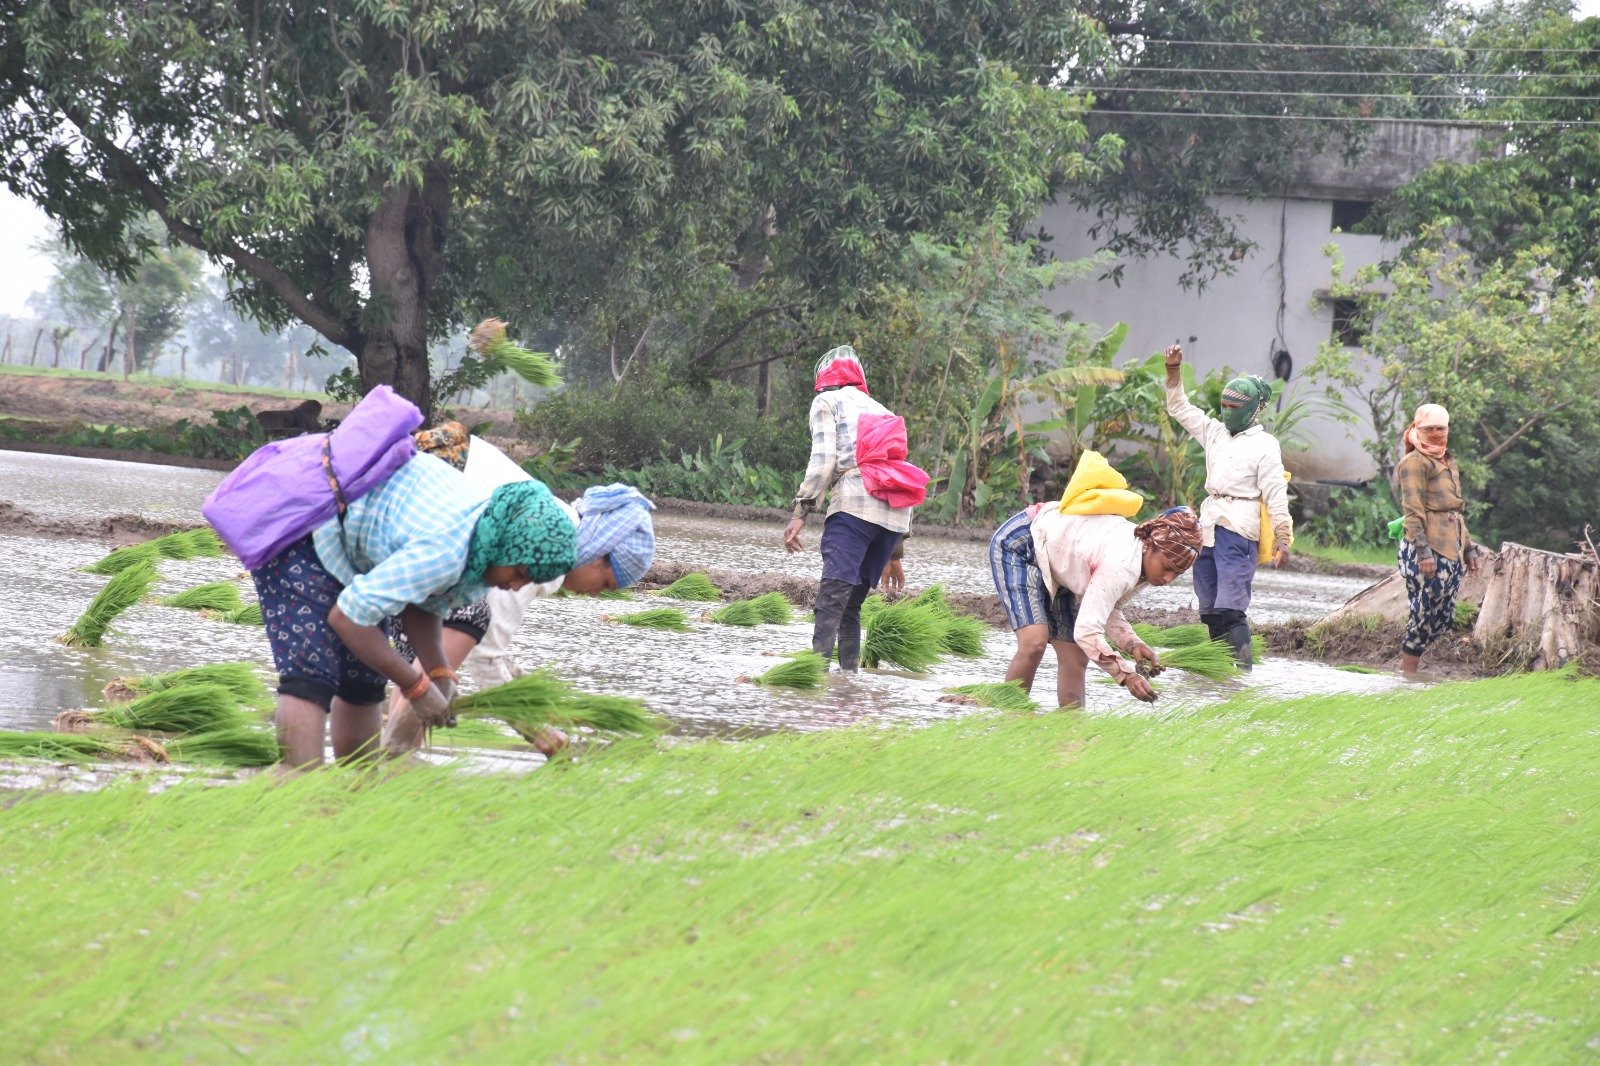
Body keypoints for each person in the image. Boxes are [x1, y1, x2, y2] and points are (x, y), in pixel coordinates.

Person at [383, 422, 656, 753]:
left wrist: (534, 697)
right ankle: (394, 755)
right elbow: (483, 655)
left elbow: (488, 648)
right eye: (607, 584)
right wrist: (540, 734)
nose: (596, 595)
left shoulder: (555, 516)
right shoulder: (547, 545)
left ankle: (393, 757)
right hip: (419, 494)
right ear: (599, 555)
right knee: (464, 620)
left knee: (436, 638)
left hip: (413, 492)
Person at [990, 451, 1203, 707]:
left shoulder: (1143, 569)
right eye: (1167, 567)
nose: (1168, 578)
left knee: (1075, 656)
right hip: (1025, 543)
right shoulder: (1122, 564)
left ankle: (1071, 734)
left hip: (1065, 564)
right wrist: (1125, 675)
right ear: (1150, 545)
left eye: (1177, 574)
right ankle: (1005, 716)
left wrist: (1132, 643)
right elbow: (1087, 631)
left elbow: (1106, 607)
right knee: (1035, 641)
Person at [783, 344, 928, 671]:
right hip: (895, 517)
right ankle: (849, 680)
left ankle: (813, 675)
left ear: (824, 379)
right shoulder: (882, 409)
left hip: (856, 506)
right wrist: (894, 555)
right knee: (852, 606)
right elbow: (896, 475)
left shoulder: (826, 402)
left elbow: (823, 462)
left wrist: (800, 513)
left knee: (831, 600)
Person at [1164, 343, 1293, 671]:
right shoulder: (1215, 432)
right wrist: (1173, 371)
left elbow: (1276, 491)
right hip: (1207, 527)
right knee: (1209, 609)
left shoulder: (1265, 445)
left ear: (1251, 409)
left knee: (1231, 608)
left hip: (1239, 528)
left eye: (1234, 406)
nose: (1227, 411)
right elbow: (1179, 407)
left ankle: (1242, 674)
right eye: (1224, 405)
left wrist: (1283, 535)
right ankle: (1220, 672)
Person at [1395, 402, 1480, 678]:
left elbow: (1454, 510)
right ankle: (1409, 674)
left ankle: (1414, 670)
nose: (1435, 433)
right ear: (1417, 429)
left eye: (1440, 428)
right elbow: (1413, 510)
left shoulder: (1447, 460)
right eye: (1428, 428)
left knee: (1443, 616)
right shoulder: (1414, 462)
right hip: (1426, 547)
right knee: (1423, 612)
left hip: (1450, 545)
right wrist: (1424, 552)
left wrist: (1468, 549)